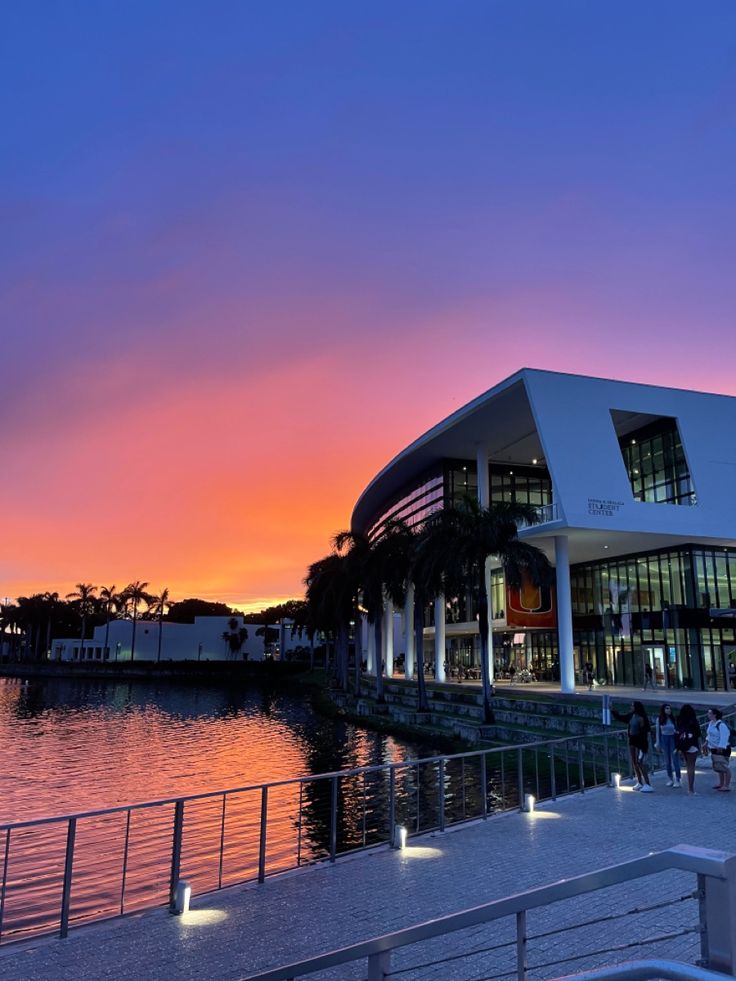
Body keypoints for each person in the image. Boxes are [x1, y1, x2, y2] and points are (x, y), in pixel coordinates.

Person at [613, 700, 654, 792]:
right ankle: (639, 782)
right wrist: (613, 711)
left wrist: (642, 745)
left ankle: (648, 783)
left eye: (632, 706)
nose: (631, 707)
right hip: (632, 741)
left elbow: (644, 732)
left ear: (636, 707)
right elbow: (622, 718)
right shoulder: (632, 715)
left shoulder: (641, 718)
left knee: (641, 762)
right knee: (634, 762)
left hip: (640, 742)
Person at [676, 703, 703, 795]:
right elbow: (698, 734)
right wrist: (700, 747)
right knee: (691, 766)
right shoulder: (693, 721)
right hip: (692, 744)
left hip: (683, 745)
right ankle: (691, 788)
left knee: (687, 765)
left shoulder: (679, 720)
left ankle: (689, 787)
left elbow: (677, 733)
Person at [705, 707, 732, 792]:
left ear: (714, 714)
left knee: (724, 766)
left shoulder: (721, 725)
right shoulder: (711, 723)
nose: (708, 715)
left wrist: (721, 747)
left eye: (709, 713)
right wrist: (706, 743)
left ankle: (726, 785)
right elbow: (709, 735)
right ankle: (721, 783)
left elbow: (724, 736)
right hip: (713, 748)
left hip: (722, 749)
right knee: (718, 766)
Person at [655, 703, 681, 787]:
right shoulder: (659, 719)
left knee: (675, 759)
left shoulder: (673, 719)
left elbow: (677, 730)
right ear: (663, 710)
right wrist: (658, 743)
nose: (669, 710)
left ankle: (678, 779)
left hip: (672, 738)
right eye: (667, 708)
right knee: (667, 761)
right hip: (664, 739)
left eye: (669, 708)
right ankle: (670, 778)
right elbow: (658, 732)